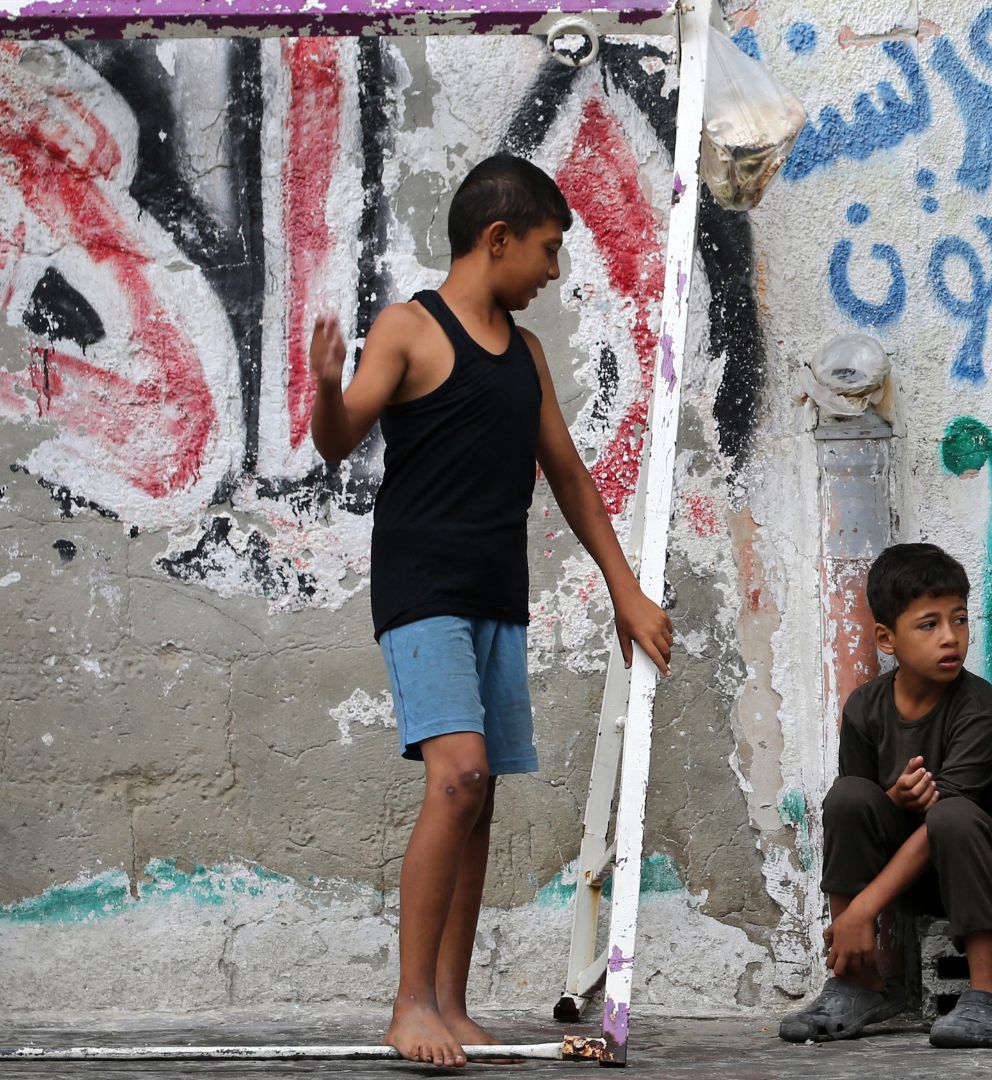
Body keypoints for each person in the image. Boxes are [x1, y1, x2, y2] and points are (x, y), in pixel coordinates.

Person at [306, 154, 673, 1068]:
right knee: (458, 777)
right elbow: (339, 436)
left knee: (483, 801)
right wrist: (322, 388)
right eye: (547, 251)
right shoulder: (409, 329)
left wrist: (625, 590)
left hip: (495, 595)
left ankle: (455, 1004)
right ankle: (409, 1004)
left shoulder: (530, 354)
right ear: (497, 238)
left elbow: (573, 481)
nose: (554, 271)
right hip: (422, 589)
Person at [778, 543, 992, 1048]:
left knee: (952, 814)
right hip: (911, 880)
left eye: (959, 620)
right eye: (929, 624)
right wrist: (893, 800)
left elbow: (950, 818)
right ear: (886, 638)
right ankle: (858, 978)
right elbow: (862, 814)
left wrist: (861, 910)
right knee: (848, 797)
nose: (950, 638)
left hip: (985, 874)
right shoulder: (866, 707)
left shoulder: (978, 709)